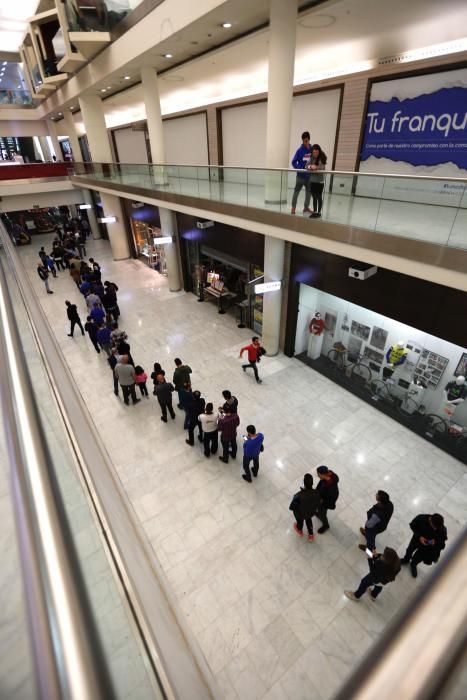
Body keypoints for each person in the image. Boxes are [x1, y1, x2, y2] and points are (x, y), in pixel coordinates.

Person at [400, 513, 447, 578]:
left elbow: (442, 544)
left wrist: (435, 542)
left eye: (436, 528)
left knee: (418, 558)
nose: (435, 529)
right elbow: (412, 525)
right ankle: (406, 559)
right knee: (409, 550)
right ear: (430, 520)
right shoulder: (421, 518)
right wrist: (419, 537)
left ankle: (413, 565)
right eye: (434, 527)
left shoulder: (441, 529)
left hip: (426, 548)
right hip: (416, 540)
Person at [290, 473, 320, 542]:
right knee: (309, 521)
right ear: (312, 483)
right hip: (310, 512)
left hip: (300, 514)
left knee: (300, 522)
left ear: (304, 484)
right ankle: (311, 535)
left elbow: (292, 507)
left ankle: (299, 530)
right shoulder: (317, 493)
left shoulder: (298, 495)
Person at [290, 131, 313, 215]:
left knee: (309, 192)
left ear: (309, 140)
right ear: (302, 140)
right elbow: (293, 162)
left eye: (307, 140)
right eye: (304, 141)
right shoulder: (299, 150)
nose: (305, 142)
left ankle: (306, 208)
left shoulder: (312, 149)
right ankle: (293, 208)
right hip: (300, 176)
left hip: (309, 176)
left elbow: (315, 159)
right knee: (296, 191)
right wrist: (300, 168)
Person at [315, 466, 340, 533]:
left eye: (318, 474)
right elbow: (321, 485)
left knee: (322, 513)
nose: (317, 475)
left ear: (323, 474)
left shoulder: (331, 489)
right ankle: (320, 513)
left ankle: (326, 525)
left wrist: (322, 501)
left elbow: (333, 498)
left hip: (325, 503)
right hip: (322, 499)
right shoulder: (326, 477)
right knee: (320, 511)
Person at [307, 144, 327, 218]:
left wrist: (315, 168)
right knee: (314, 197)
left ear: (319, 152)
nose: (315, 153)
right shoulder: (311, 158)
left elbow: (321, 168)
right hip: (312, 181)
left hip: (319, 181)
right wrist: (311, 167)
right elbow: (306, 166)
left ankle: (319, 212)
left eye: (316, 152)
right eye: (314, 152)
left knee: (319, 196)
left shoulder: (322, 158)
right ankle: (315, 211)